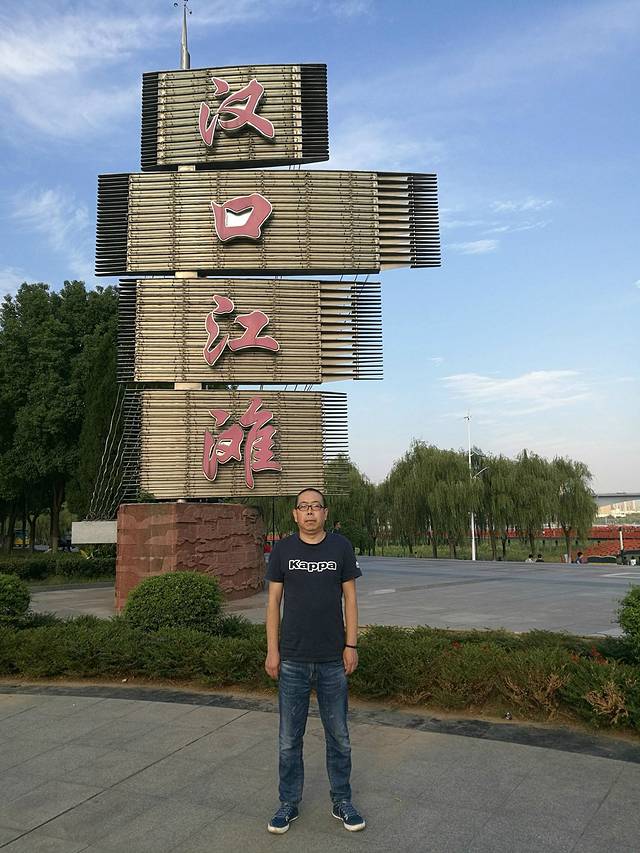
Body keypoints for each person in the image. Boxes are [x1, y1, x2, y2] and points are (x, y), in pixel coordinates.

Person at [264, 488, 365, 835]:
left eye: (316, 506)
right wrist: (272, 650)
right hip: (292, 658)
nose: (310, 512)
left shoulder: (341, 547)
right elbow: (273, 603)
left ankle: (342, 800)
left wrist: (351, 644)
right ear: (295, 514)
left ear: (325, 513)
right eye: (303, 507)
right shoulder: (283, 550)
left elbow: (351, 599)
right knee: (289, 739)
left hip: (332, 659)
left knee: (339, 736)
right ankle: (288, 803)